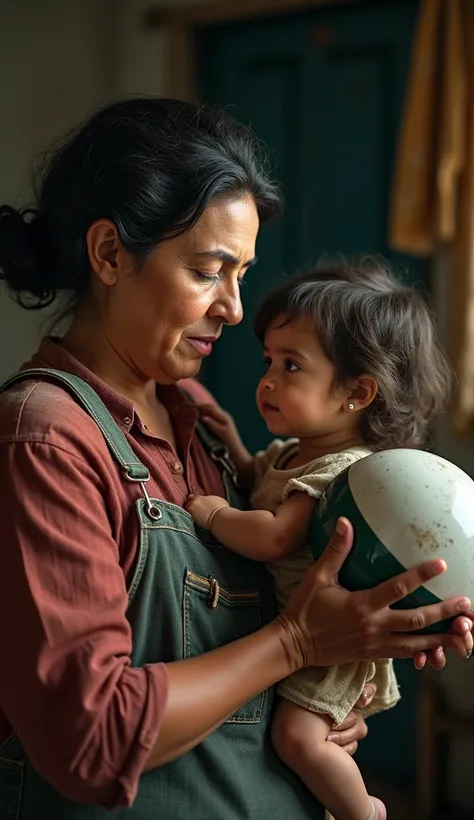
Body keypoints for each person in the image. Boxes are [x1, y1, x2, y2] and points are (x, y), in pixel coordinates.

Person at [0, 99, 471, 820]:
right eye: (209, 270)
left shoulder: (207, 428)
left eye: (242, 274)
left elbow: (259, 643)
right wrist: (297, 642)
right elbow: (92, 738)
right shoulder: (46, 441)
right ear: (109, 254)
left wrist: (359, 648)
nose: (234, 307)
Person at [186, 258, 452, 820]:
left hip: (327, 637)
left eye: (291, 366)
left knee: (298, 739)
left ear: (357, 392)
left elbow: (275, 536)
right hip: (306, 628)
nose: (268, 380)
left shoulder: (343, 473)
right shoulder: (296, 452)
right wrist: (234, 445)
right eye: (267, 362)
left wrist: (209, 513)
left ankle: (364, 812)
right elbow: (260, 483)